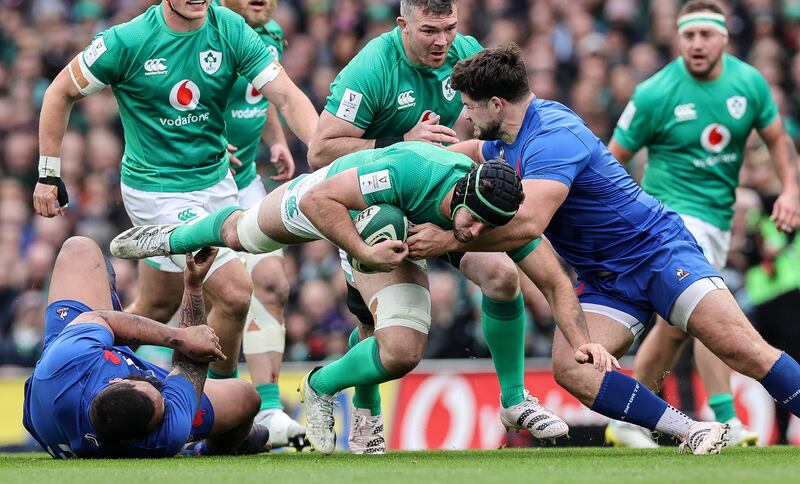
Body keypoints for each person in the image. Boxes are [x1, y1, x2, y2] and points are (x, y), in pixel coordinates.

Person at [408, 43, 800, 455]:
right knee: (572, 369)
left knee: (743, 349)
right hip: (607, 281)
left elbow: (529, 224)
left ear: (496, 103)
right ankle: (692, 431)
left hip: (657, 255)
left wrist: (448, 239)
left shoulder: (553, 136)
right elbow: (472, 151)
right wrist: (415, 155)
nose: (465, 116)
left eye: (470, 106)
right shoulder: (508, 135)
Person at [110, 141, 620, 454]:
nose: (480, 229)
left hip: (411, 228)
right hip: (349, 205)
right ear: (459, 194)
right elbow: (318, 199)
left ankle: (512, 401)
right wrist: (364, 253)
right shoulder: (412, 172)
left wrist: (584, 344)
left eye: (492, 225)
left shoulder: (494, 216)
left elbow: (555, 282)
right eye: (474, 219)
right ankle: (165, 237)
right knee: (244, 232)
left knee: (499, 281)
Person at [32, 0, 318, 393]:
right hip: (157, 192)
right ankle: (217, 410)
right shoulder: (129, 41)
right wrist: (48, 173)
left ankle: (85, 374)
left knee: (156, 306)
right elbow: (59, 91)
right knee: (235, 292)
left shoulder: (229, 28)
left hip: (218, 183)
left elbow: (285, 96)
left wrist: (323, 154)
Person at [307, 0, 542, 453]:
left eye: (449, 28)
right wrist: (401, 142)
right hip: (369, 199)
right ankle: (352, 402)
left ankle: (514, 400)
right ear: (403, 25)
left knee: (501, 275)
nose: (442, 41)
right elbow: (319, 152)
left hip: (433, 193)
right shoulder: (372, 67)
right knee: (387, 337)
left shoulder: (464, 53)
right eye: (430, 30)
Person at [606, 0, 800, 448]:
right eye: (688, 35)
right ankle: (717, 418)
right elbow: (610, 160)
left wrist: (790, 190)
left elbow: (777, 139)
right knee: (698, 314)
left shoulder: (748, 84)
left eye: (705, 35)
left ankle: (632, 418)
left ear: (724, 37)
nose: (696, 44)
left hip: (717, 219)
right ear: (678, 38)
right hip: (667, 217)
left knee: (681, 326)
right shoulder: (655, 93)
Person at [23, 237, 266, 458]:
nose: (162, 391)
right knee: (245, 398)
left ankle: (118, 313)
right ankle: (205, 449)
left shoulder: (66, 363)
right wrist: (193, 287)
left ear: (115, 381)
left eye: (154, 390)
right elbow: (189, 368)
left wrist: (177, 336)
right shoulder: (166, 436)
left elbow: (102, 318)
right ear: (146, 432)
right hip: (78, 406)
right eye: (163, 400)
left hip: (55, 385)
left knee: (79, 249)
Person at [216, 0, 305, 449]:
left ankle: (267, 407)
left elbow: (264, 91)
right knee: (212, 297)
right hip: (199, 184)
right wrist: (208, 139)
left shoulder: (268, 31)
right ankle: (220, 405)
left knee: (272, 283)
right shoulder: (205, 28)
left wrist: (278, 141)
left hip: (247, 180)